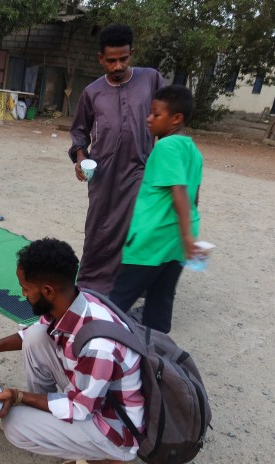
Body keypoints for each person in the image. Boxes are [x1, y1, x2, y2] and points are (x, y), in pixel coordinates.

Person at [0, 238, 144, 464]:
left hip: (114, 427)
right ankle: (42, 414)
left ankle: (113, 460)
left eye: (25, 287)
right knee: (36, 337)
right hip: (94, 393)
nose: (23, 294)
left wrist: (21, 397)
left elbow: (80, 408)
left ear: (47, 291)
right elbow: (31, 334)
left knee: (14, 425)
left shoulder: (98, 347)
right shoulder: (78, 301)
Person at [69, 24, 166, 294]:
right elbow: (79, 130)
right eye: (111, 60)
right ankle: (91, 284)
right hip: (102, 171)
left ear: (131, 54)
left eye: (123, 59)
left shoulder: (151, 79)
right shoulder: (92, 92)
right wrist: (80, 156)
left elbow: (169, 115)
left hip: (140, 166)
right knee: (99, 227)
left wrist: (166, 154)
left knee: (135, 225)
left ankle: (128, 286)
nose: (117, 66)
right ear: (100, 58)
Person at [109, 85, 203, 333]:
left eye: (156, 114)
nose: (149, 119)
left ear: (176, 119)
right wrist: (187, 235)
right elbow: (195, 196)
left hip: (152, 240)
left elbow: (180, 191)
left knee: (116, 304)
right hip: (175, 246)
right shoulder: (192, 149)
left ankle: (97, 353)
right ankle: (157, 357)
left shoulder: (166, 147)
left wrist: (187, 236)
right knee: (160, 304)